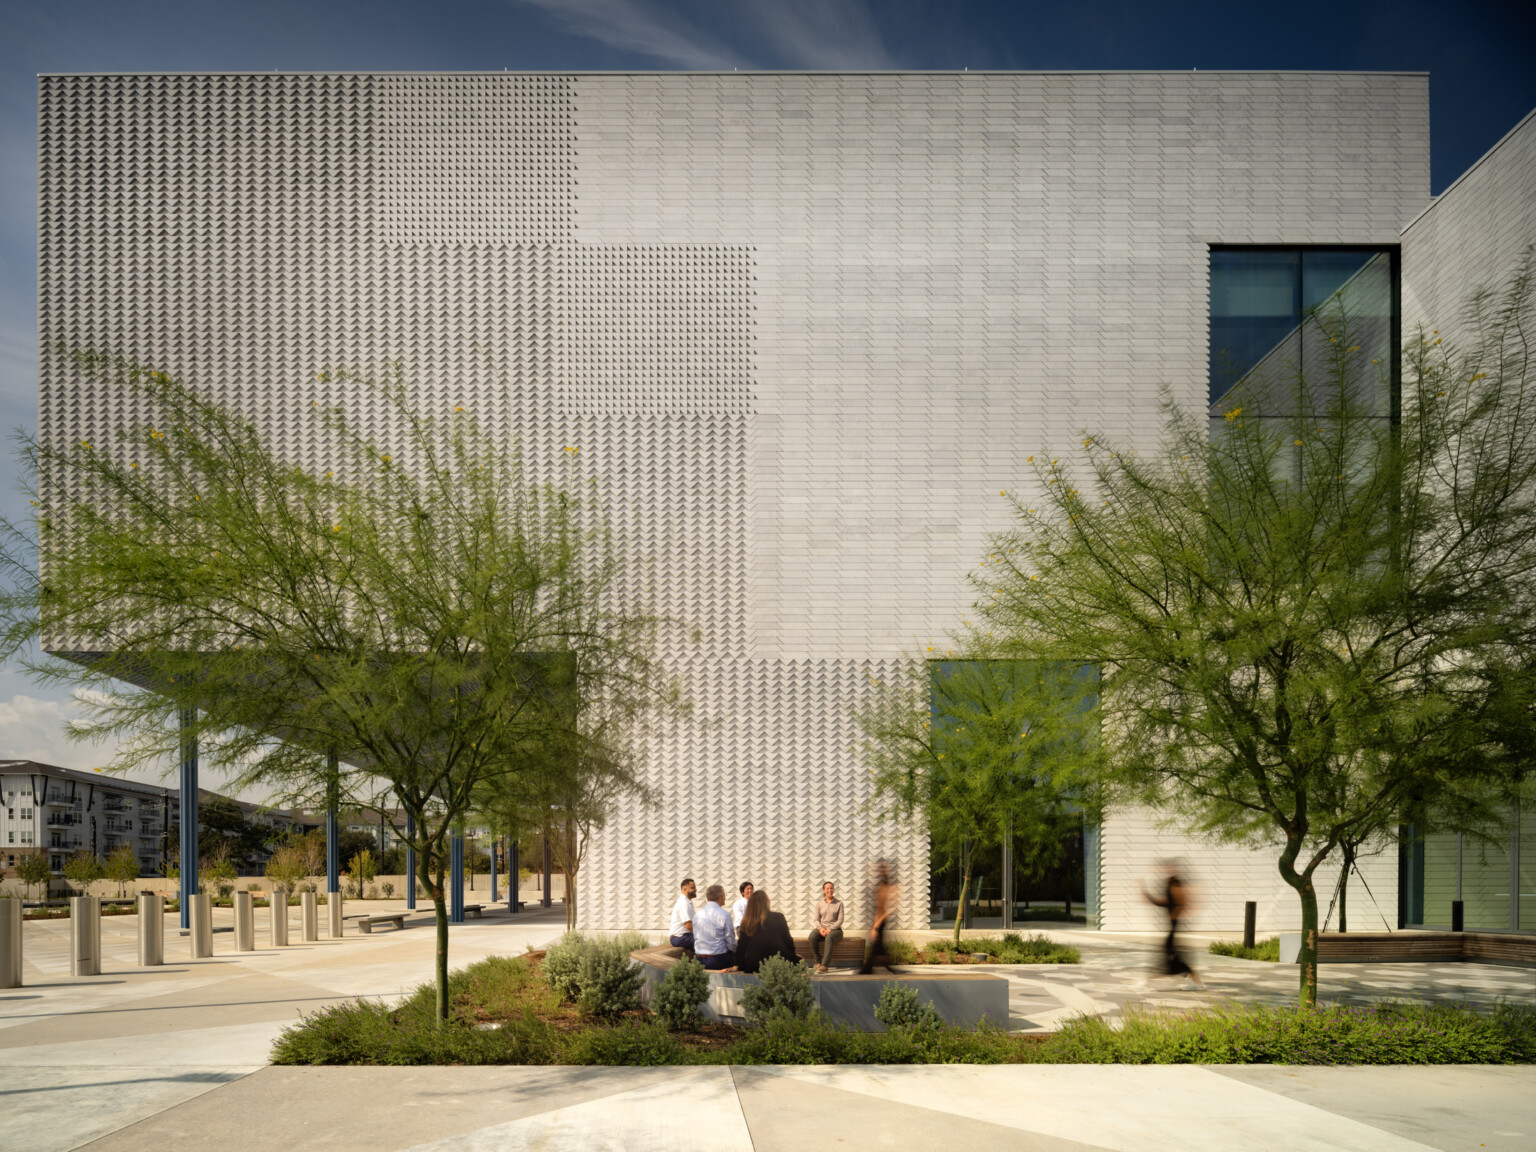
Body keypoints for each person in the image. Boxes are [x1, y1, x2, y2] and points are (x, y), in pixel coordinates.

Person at [1140, 861, 1205, 990]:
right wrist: (1146, 893)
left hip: (1174, 926)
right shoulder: (1170, 883)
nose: (1162, 870)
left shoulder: (1175, 883)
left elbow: (1181, 903)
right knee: (1170, 955)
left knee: (1170, 955)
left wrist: (1174, 914)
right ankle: (1196, 982)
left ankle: (1149, 980)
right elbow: (1166, 902)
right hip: (1172, 926)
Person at [735, 889, 799, 974]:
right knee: (801, 961)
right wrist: (792, 956)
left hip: (754, 965)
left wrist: (736, 965)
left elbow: (741, 946)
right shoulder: (778, 917)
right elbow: (788, 940)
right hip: (776, 961)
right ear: (766, 902)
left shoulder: (746, 922)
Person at [858, 861, 899, 974]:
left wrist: (875, 926)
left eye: (881, 870)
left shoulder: (885, 888)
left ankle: (868, 969)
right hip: (880, 920)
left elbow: (884, 909)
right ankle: (886, 967)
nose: (878, 872)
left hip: (881, 921)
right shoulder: (884, 886)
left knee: (876, 947)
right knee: (878, 948)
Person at [693, 884, 738, 970]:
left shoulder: (697, 915)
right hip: (717, 960)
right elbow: (731, 942)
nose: (725, 897)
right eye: (725, 895)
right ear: (720, 897)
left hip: (698, 959)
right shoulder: (724, 914)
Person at [807, 880, 844, 972]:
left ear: (833, 889)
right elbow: (816, 919)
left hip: (835, 930)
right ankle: (818, 962)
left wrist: (830, 929)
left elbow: (840, 920)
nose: (829, 890)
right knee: (812, 936)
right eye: (827, 888)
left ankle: (824, 965)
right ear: (824, 890)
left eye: (831, 888)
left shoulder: (839, 903)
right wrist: (820, 928)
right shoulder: (819, 904)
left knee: (829, 937)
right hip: (822, 928)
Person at [669, 878, 697, 953]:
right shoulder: (683, 903)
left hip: (685, 936)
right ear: (685, 889)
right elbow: (688, 925)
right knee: (705, 942)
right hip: (679, 938)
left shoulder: (687, 902)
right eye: (693, 888)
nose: (695, 890)